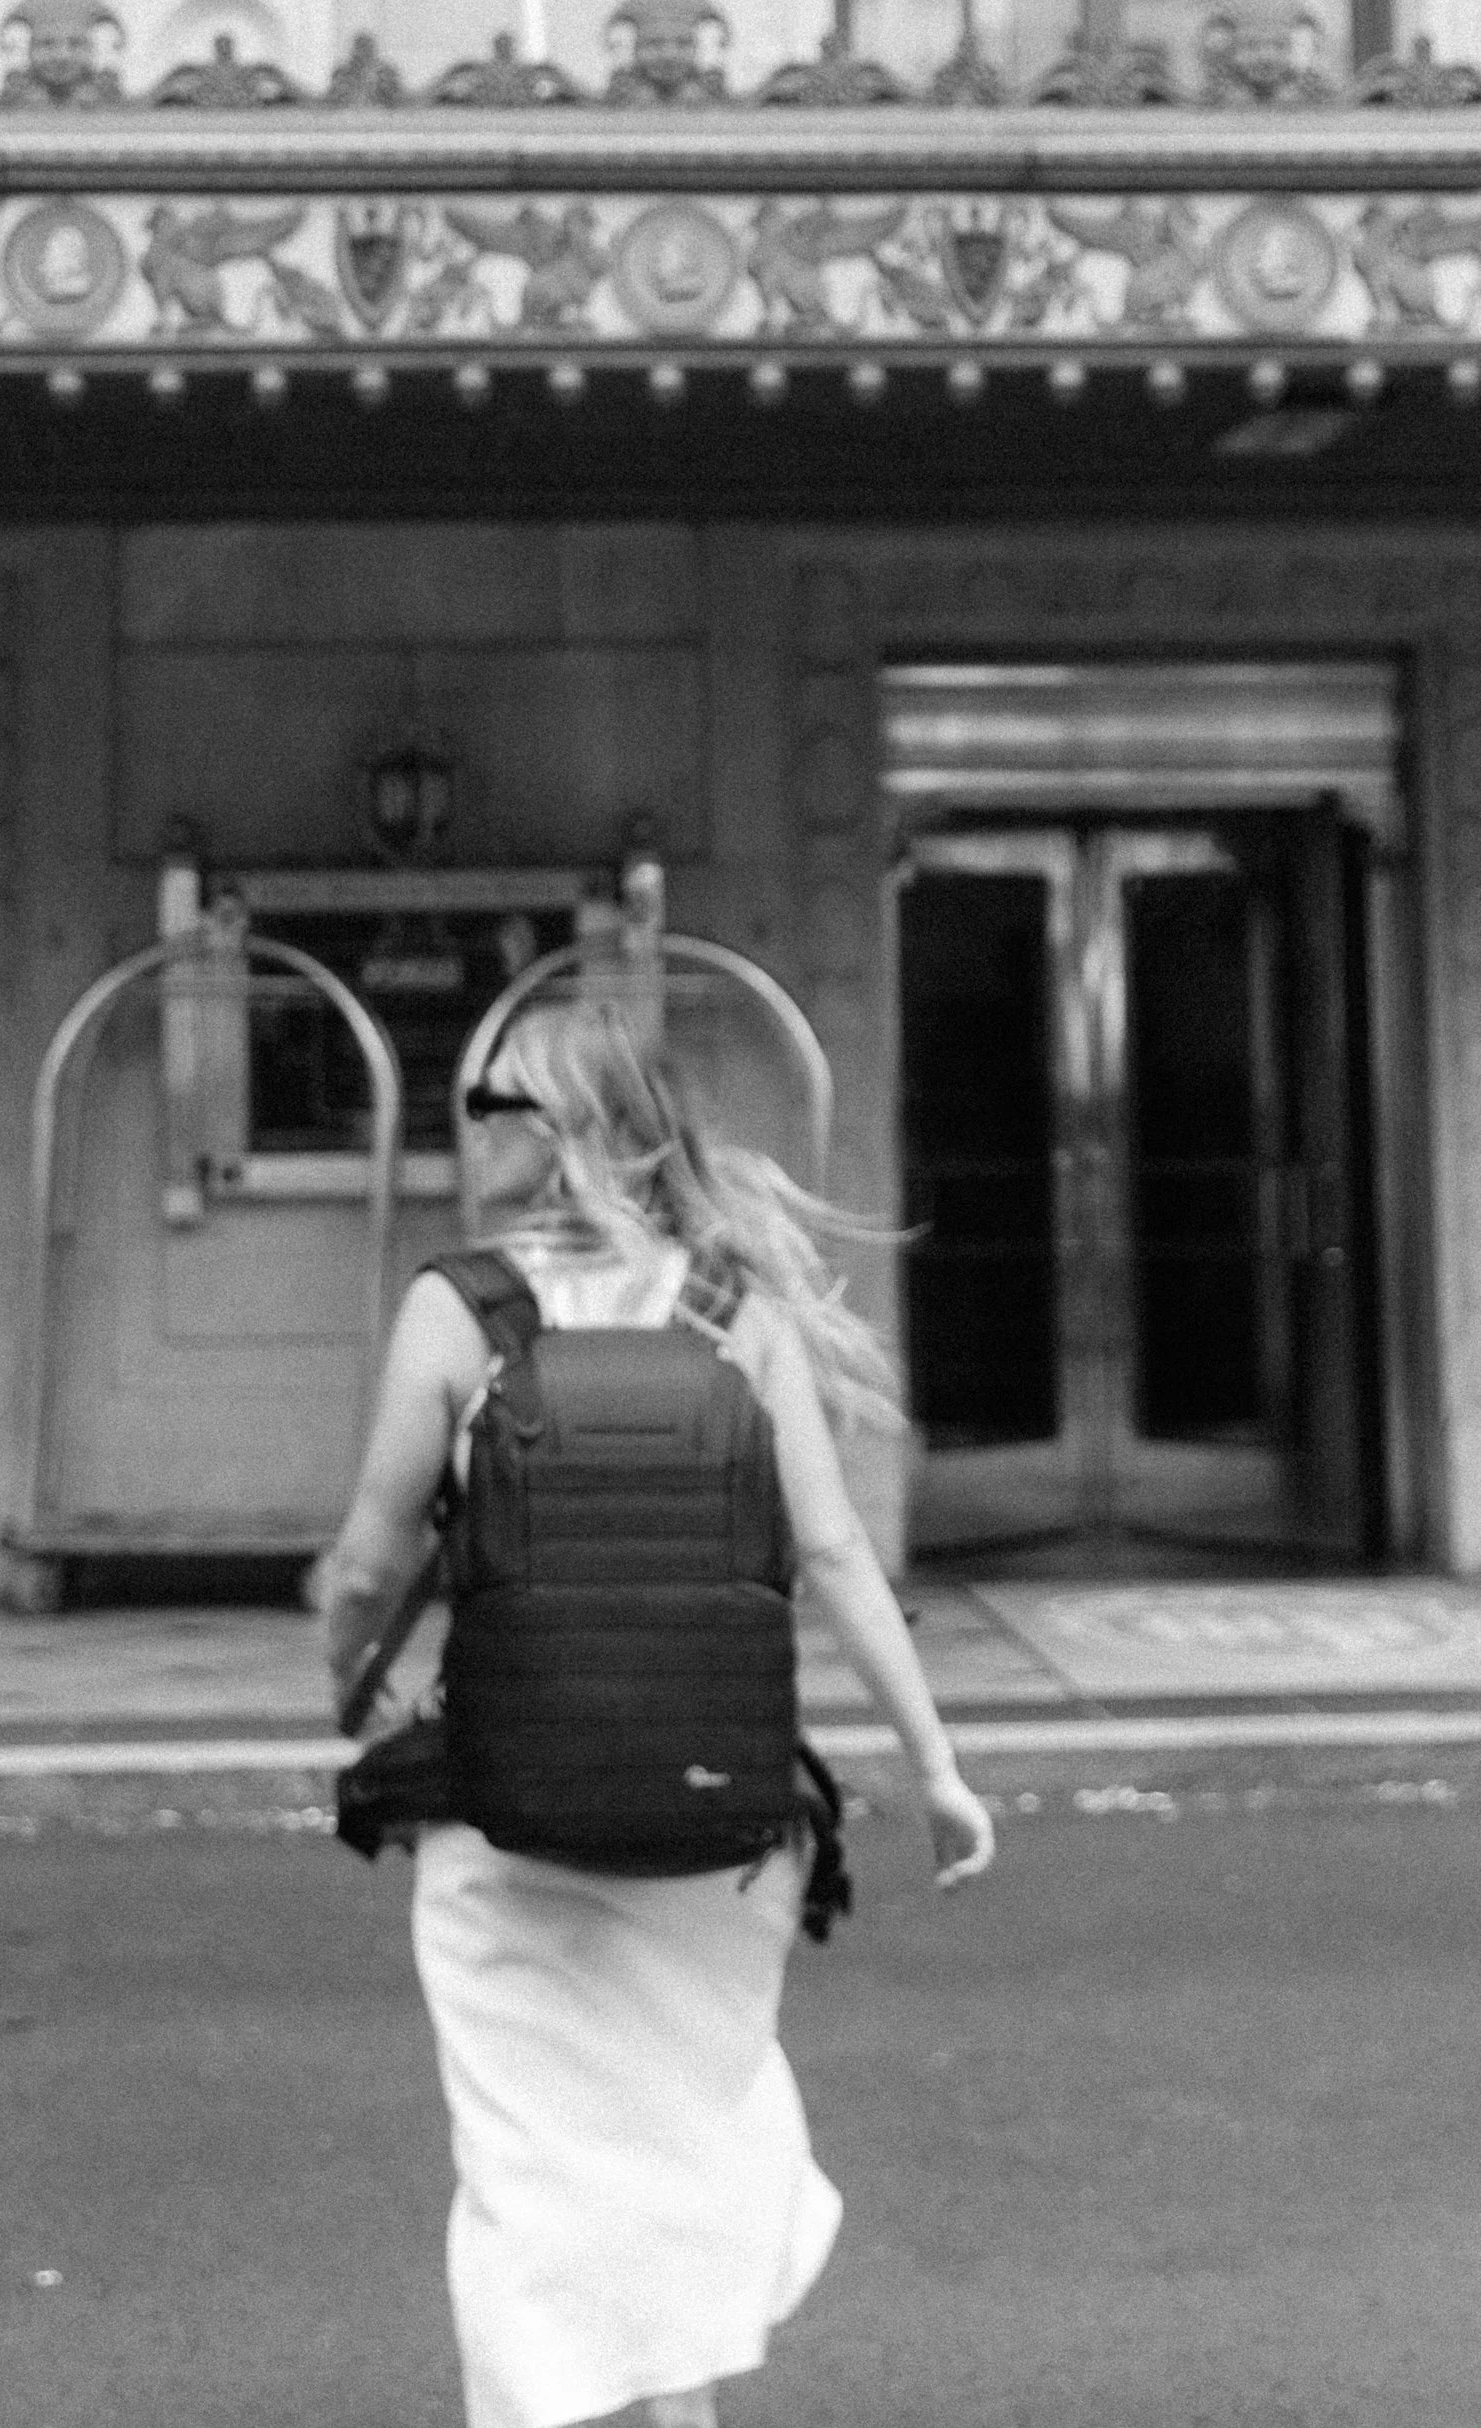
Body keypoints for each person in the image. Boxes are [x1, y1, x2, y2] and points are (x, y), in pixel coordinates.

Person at [316, 998, 994, 2428]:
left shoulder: (458, 1307)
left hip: (508, 1807)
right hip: (718, 1815)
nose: (474, 1123)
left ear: (578, 1135)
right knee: (682, 2131)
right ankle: (677, 2408)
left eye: (504, 1103)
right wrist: (935, 1768)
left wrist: (345, 1674)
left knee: (531, 2163)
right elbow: (831, 1557)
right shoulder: (731, 1309)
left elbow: (372, 1561)